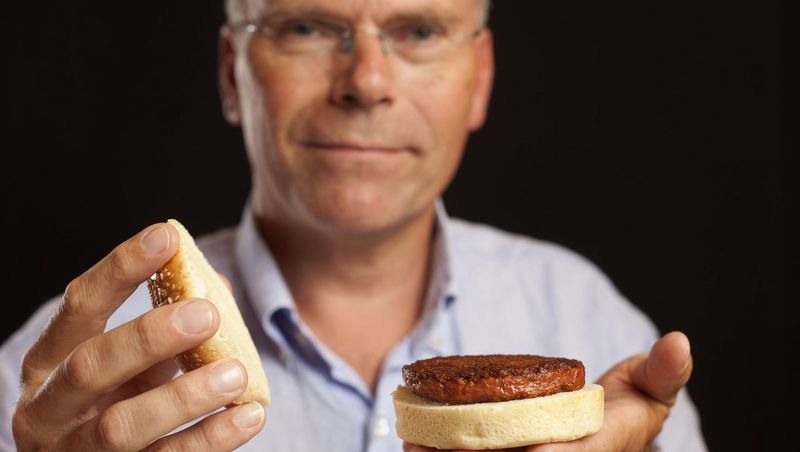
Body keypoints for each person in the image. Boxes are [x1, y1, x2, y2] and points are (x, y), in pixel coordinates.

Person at [1, 0, 706, 450]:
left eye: (419, 30)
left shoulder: (591, 320)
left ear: (481, 77)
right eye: (307, 28)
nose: (366, 82)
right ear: (231, 73)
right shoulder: (62, 388)